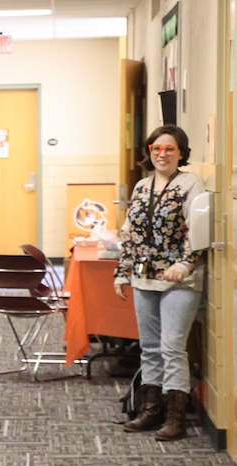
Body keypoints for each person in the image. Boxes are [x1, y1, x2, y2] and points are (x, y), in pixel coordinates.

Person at [114, 124, 205, 441]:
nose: (162, 154)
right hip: (144, 278)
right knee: (149, 348)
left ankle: (175, 417)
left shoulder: (190, 184)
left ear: (181, 152)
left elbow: (199, 231)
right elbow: (130, 236)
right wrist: (122, 272)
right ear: (149, 152)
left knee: (172, 348)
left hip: (180, 281)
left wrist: (185, 263)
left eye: (169, 149)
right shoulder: (141, 187)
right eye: (156, 148)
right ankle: (150, 412)